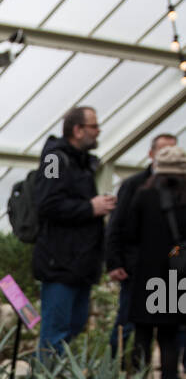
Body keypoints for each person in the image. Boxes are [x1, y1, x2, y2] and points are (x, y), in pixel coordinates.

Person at [33, 105, 115, 356]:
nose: (98, 131)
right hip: (60, 264)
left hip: (81, 265)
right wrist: (90, 207)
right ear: (77, 130)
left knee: (73, 327)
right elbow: (46, 203)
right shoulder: (54, 159)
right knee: (53, 336)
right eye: (94, 126)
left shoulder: (82, 164)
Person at [121, 144, 186, 379]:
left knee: (142, 339)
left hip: (147, 277)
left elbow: (128, 234)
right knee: (169, 340)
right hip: (176, 276)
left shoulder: (144, 196)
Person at [106, 132, 177, 363]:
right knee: (129, 324)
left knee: (170, 332)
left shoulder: (181, 188)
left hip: (173, 273)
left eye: (172, 150)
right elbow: (119, 226)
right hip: (138, 271)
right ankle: (115, 373)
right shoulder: (135, 185)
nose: (168, 155)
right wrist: (115, 261)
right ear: (151, 154)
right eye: (163, 150)